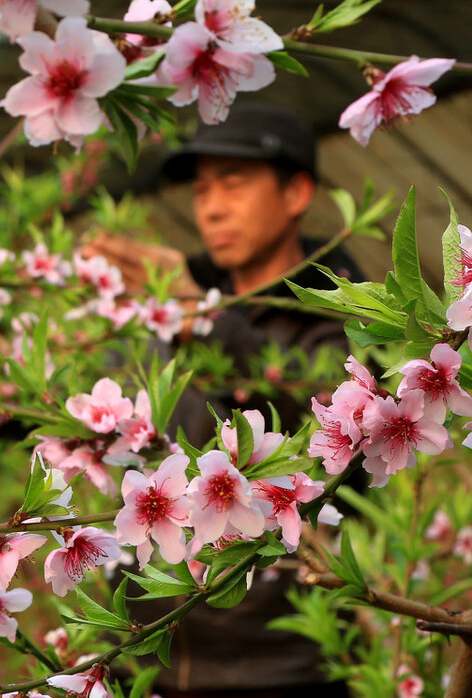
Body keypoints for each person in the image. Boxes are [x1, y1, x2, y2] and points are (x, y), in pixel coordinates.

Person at [83, 104, 360, 697]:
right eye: (202, 188)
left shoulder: (351, 318)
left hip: (281, 669)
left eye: (233, 183)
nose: (210, 206)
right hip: (150, 654)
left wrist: (208, 324)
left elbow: (325, 444)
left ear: (296, 192)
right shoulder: (171, 313)